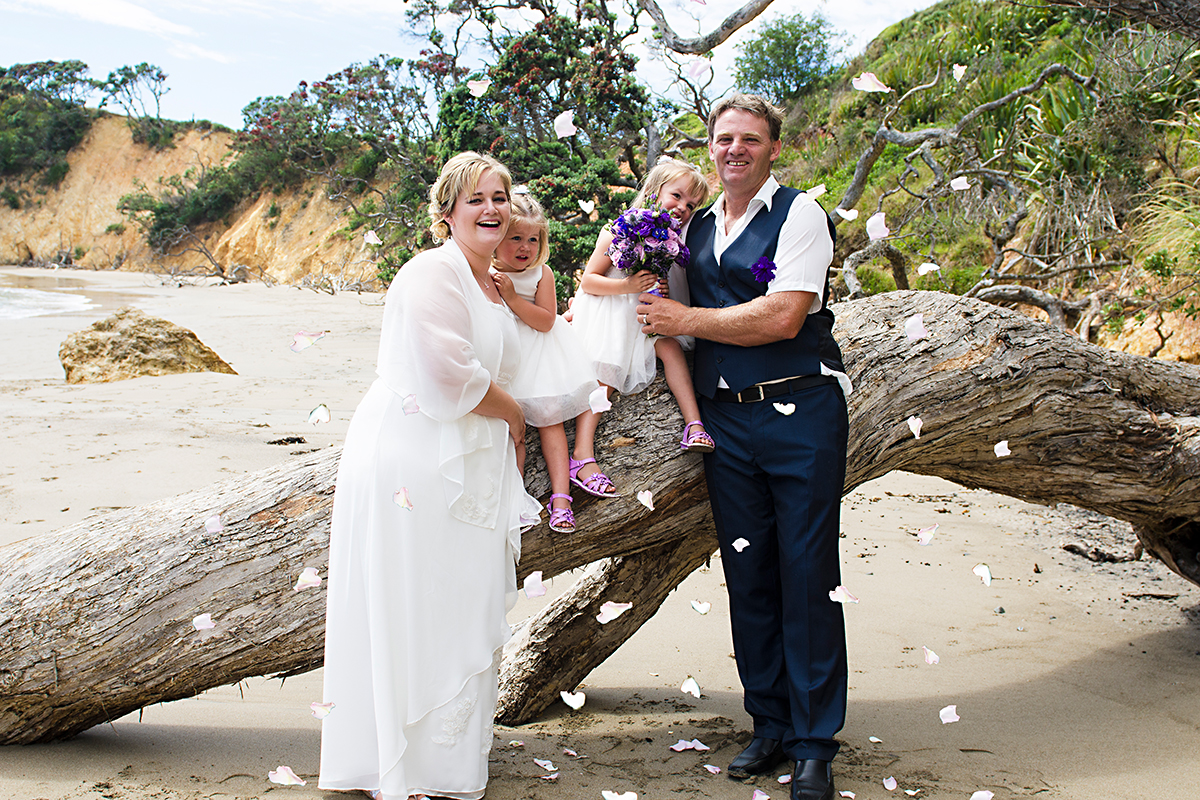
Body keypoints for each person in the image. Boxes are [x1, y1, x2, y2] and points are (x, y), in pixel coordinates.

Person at [636, 94, 851, 800]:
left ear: (772, 149)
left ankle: (815, 743)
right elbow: (649, 305)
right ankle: (770, 722)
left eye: (749, 140)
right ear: (710, 147)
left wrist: (683, 314)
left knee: (808, 573)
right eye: (724, 138)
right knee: (748, 575)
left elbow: (787, 314)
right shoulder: (691, 227)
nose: (735, 150)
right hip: (724, 424)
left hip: (801, 416)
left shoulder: (801, 215)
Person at [318, 151, 541, 800]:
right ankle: (399, 767)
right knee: (412, 604)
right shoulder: (432, 273)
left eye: (500, 196)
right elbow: (450, 374)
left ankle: (441, 766)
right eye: (476, 199)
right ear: (445, 213)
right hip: (413, 462)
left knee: (454, 604)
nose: (492, 209)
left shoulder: (489, 282)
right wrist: (515, 417)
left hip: (464, 458)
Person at [569, 156, 715, 497]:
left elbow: (662, 283)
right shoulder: (618, 230)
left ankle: (694, 424)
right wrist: (627, 286)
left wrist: (659, 288)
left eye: (691, 204)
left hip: (647, 318)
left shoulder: (671, 245)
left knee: (671, 347)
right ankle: (582, 454)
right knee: (607, 370)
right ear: (652, 190)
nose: (682, 207)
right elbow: (590, 280)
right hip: (612, 316)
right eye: (676, 196)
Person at [491, 190, 600, 533]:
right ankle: (511, 498)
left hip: (540, 354)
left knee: (550, 421)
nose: (525, 247)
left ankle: (561, 497)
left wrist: (510, 296)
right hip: (504, 357)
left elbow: (546, 320)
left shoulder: (542, 273)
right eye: (516, 238)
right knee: (509, 430)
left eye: (533, 239)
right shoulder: (484, 270)